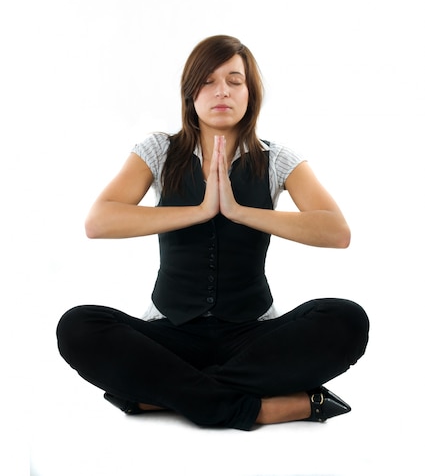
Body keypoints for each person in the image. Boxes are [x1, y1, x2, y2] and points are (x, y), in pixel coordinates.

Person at [57, 34, 369, 431]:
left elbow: (336, 231)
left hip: (251, 337)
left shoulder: (277, 159)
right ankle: (273, 408)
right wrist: (200, 211)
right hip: (169, 336)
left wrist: (239, 211)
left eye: (234, 81)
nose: (221, 90)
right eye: (207, 80)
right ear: (190, 94)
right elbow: (98, 221)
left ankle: (158, 395)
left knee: (346, 319)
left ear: (250, 94)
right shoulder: (159, 150)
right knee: (78, 326)